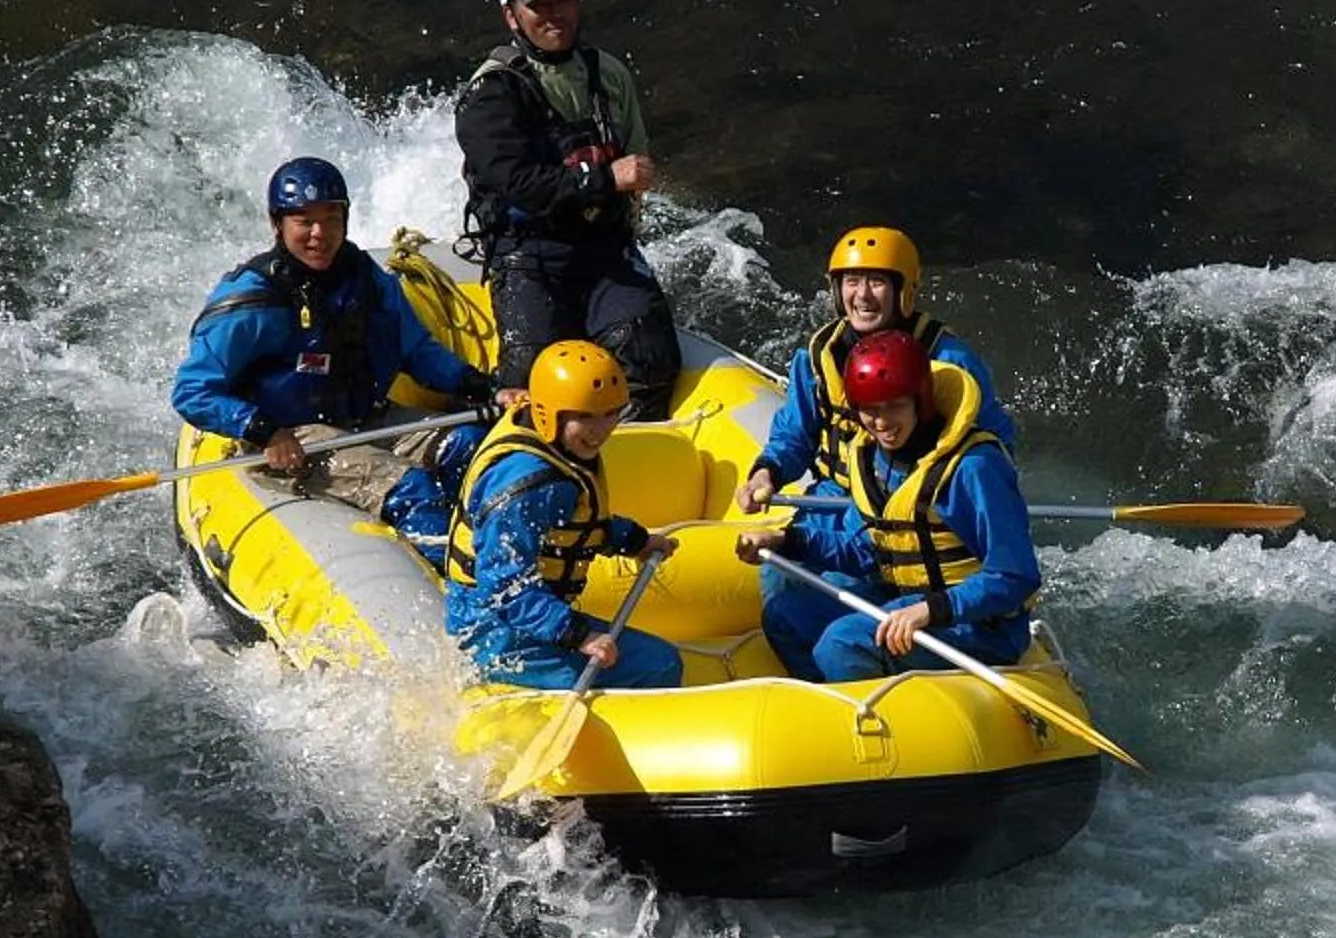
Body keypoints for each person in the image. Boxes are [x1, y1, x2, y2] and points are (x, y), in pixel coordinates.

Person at [171, 156, 494, 514]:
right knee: (413, 490)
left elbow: (415, 350)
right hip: (290, 437)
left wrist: (480, 386)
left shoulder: (364, 278)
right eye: (304, 221)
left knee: (469, 448)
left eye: (330, 219)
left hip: (366, 420)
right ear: (277, 224)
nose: (319, 234)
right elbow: (191, 391)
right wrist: (264, 431)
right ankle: (446, 562)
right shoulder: (254, 300)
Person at [456, 0, 681, 420]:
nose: (554, 14)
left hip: (603, 248)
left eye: (563, 0)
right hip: (529, 255)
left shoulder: (608, 74)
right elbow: (520, 184)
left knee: (648, 358)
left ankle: (626, 466)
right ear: (513, 16)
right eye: (539, 5)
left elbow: (636, 162)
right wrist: (603, 178)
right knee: (531, 381)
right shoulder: (490, 93)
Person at [737, 328, 1038, 683]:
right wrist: (787, 541)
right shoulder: (872, 457)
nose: (881, 423)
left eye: (895, 406)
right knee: (785, 615)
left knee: (843, 643)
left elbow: (1016, 575)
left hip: (976, 622)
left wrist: (930, 610)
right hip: (904, 595)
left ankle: (871, 727)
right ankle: (832, 703)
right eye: (870, 409)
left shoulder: (974, 468)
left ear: (920, 401)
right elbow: (871, 549)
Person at [443, 339, 682, 691]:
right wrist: (578, 635)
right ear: (547, 412)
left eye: (611, 412)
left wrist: (635, 540)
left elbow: (574, 523)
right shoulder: (529, 484)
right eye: (585, 416)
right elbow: (504, 586)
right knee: (660, 665)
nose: (602, 429)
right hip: (492, 630)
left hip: (512, 616)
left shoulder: (556, 448)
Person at [735, 224, 1014, 515]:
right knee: (778, 559)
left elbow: (993, 444)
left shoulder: (949, 360)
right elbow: (794, 436)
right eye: (852, 281)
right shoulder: (818, 357)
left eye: (877, 282)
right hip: (837, 499)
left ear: (902, 290)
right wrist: (766, 472)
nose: (863, 295)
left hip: (917, 501)